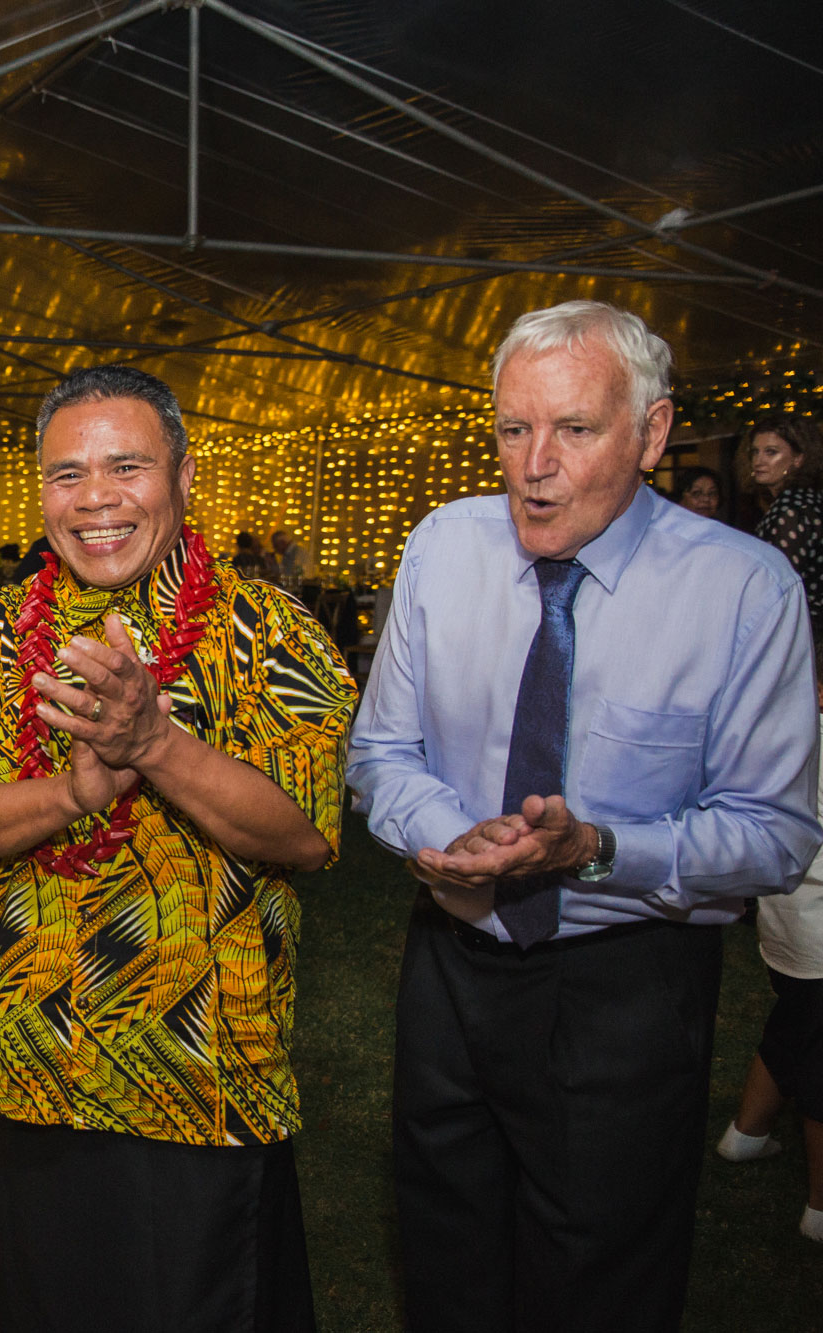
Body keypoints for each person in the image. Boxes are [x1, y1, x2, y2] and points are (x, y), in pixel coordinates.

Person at [347, 300, 823, 1332]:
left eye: (572, 429)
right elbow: (380, 750)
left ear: (651, 435)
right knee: (445, 1256)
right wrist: (449, 831)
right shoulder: (442, 547)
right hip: (452, 965)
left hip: (626, 990)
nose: (533, 465)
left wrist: (599, 848)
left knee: (598, 1278)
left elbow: (775, 831)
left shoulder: (741, 589)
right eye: (513, 429)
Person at [0, 365, 357, 1332]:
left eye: (127, 466)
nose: (97, 498)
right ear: (41, 492)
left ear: (184, 476)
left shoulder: (271, 634)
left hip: (204, 1077)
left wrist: (154, 743)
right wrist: (71, 793)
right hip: (36, 1072)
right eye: (67, 474)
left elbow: (307, 833)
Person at [714, 678, 823, 1244]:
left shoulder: (789, 741)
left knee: (797, 1025)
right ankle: (820, 1209)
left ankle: (747, 1133)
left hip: (787, 927)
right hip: (818, 930)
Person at [749, 414, 823, 642]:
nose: (759, 460)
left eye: (771, 452)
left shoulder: (791, 508)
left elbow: (776, 585)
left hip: (801, 632)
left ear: (798, 459)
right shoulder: (807, 499)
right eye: (755, 452)